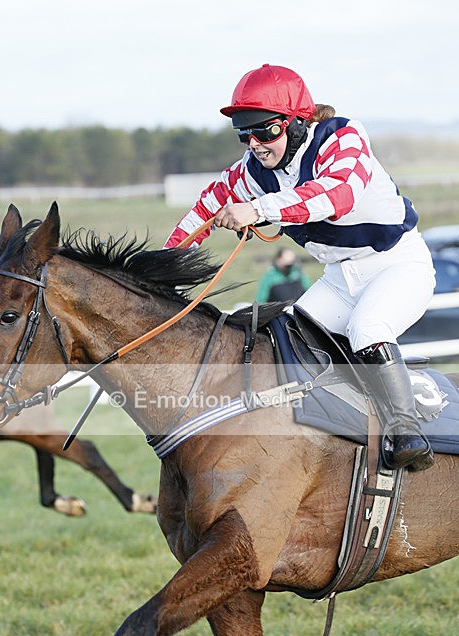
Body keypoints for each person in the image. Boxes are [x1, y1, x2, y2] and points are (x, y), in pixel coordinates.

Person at [164, 63, 435, 472]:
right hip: (340, 279)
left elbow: (335, 195)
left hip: (398, 265)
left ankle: (406, 431)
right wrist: (162, 268)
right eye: (244, 133)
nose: (255, 144)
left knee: (368, 329)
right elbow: (203, 210)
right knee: (287, 340)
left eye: (265, 131)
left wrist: (257, 210)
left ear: (295, 123)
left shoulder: (343, 137)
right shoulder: (252, 173)